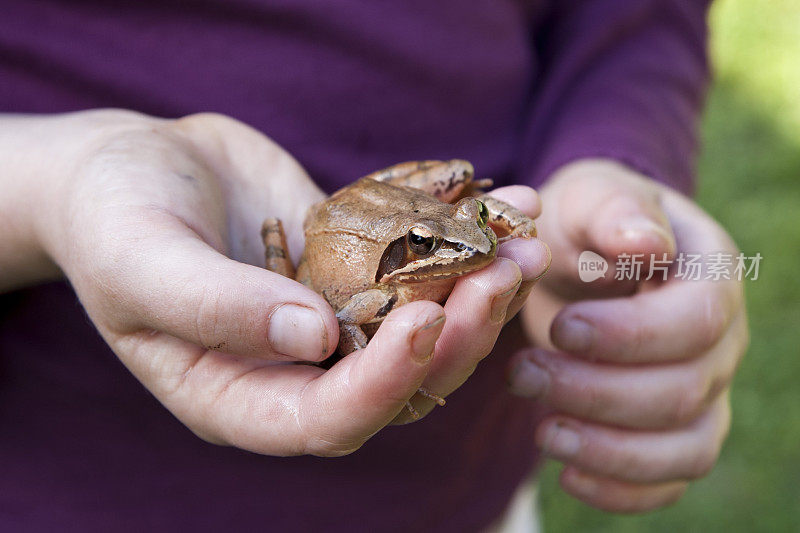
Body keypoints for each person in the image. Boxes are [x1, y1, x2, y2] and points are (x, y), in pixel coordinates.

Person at [0, 0, 748, 530]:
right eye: (436, 250)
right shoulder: (379, 293)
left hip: (465, 496)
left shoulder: (457, 233)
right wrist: (50, 187)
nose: (466, 251)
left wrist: (603, 156)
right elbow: (346, 319)